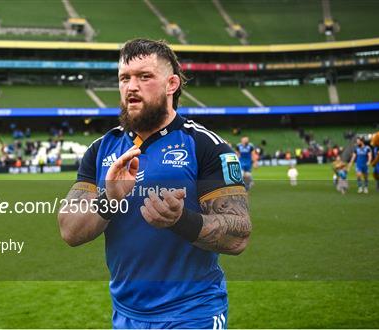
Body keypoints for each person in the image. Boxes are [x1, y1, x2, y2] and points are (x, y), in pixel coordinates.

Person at [58, 39, 251, 329]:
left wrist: (180, 220)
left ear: (171, 84)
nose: (131, 86)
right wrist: (109, 200)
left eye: (144, 76)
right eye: (124, 78)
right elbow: (69, 231)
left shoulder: (205, 146)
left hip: (192, 312)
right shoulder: (101, 150)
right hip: (126, 314)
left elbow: (239, 235)